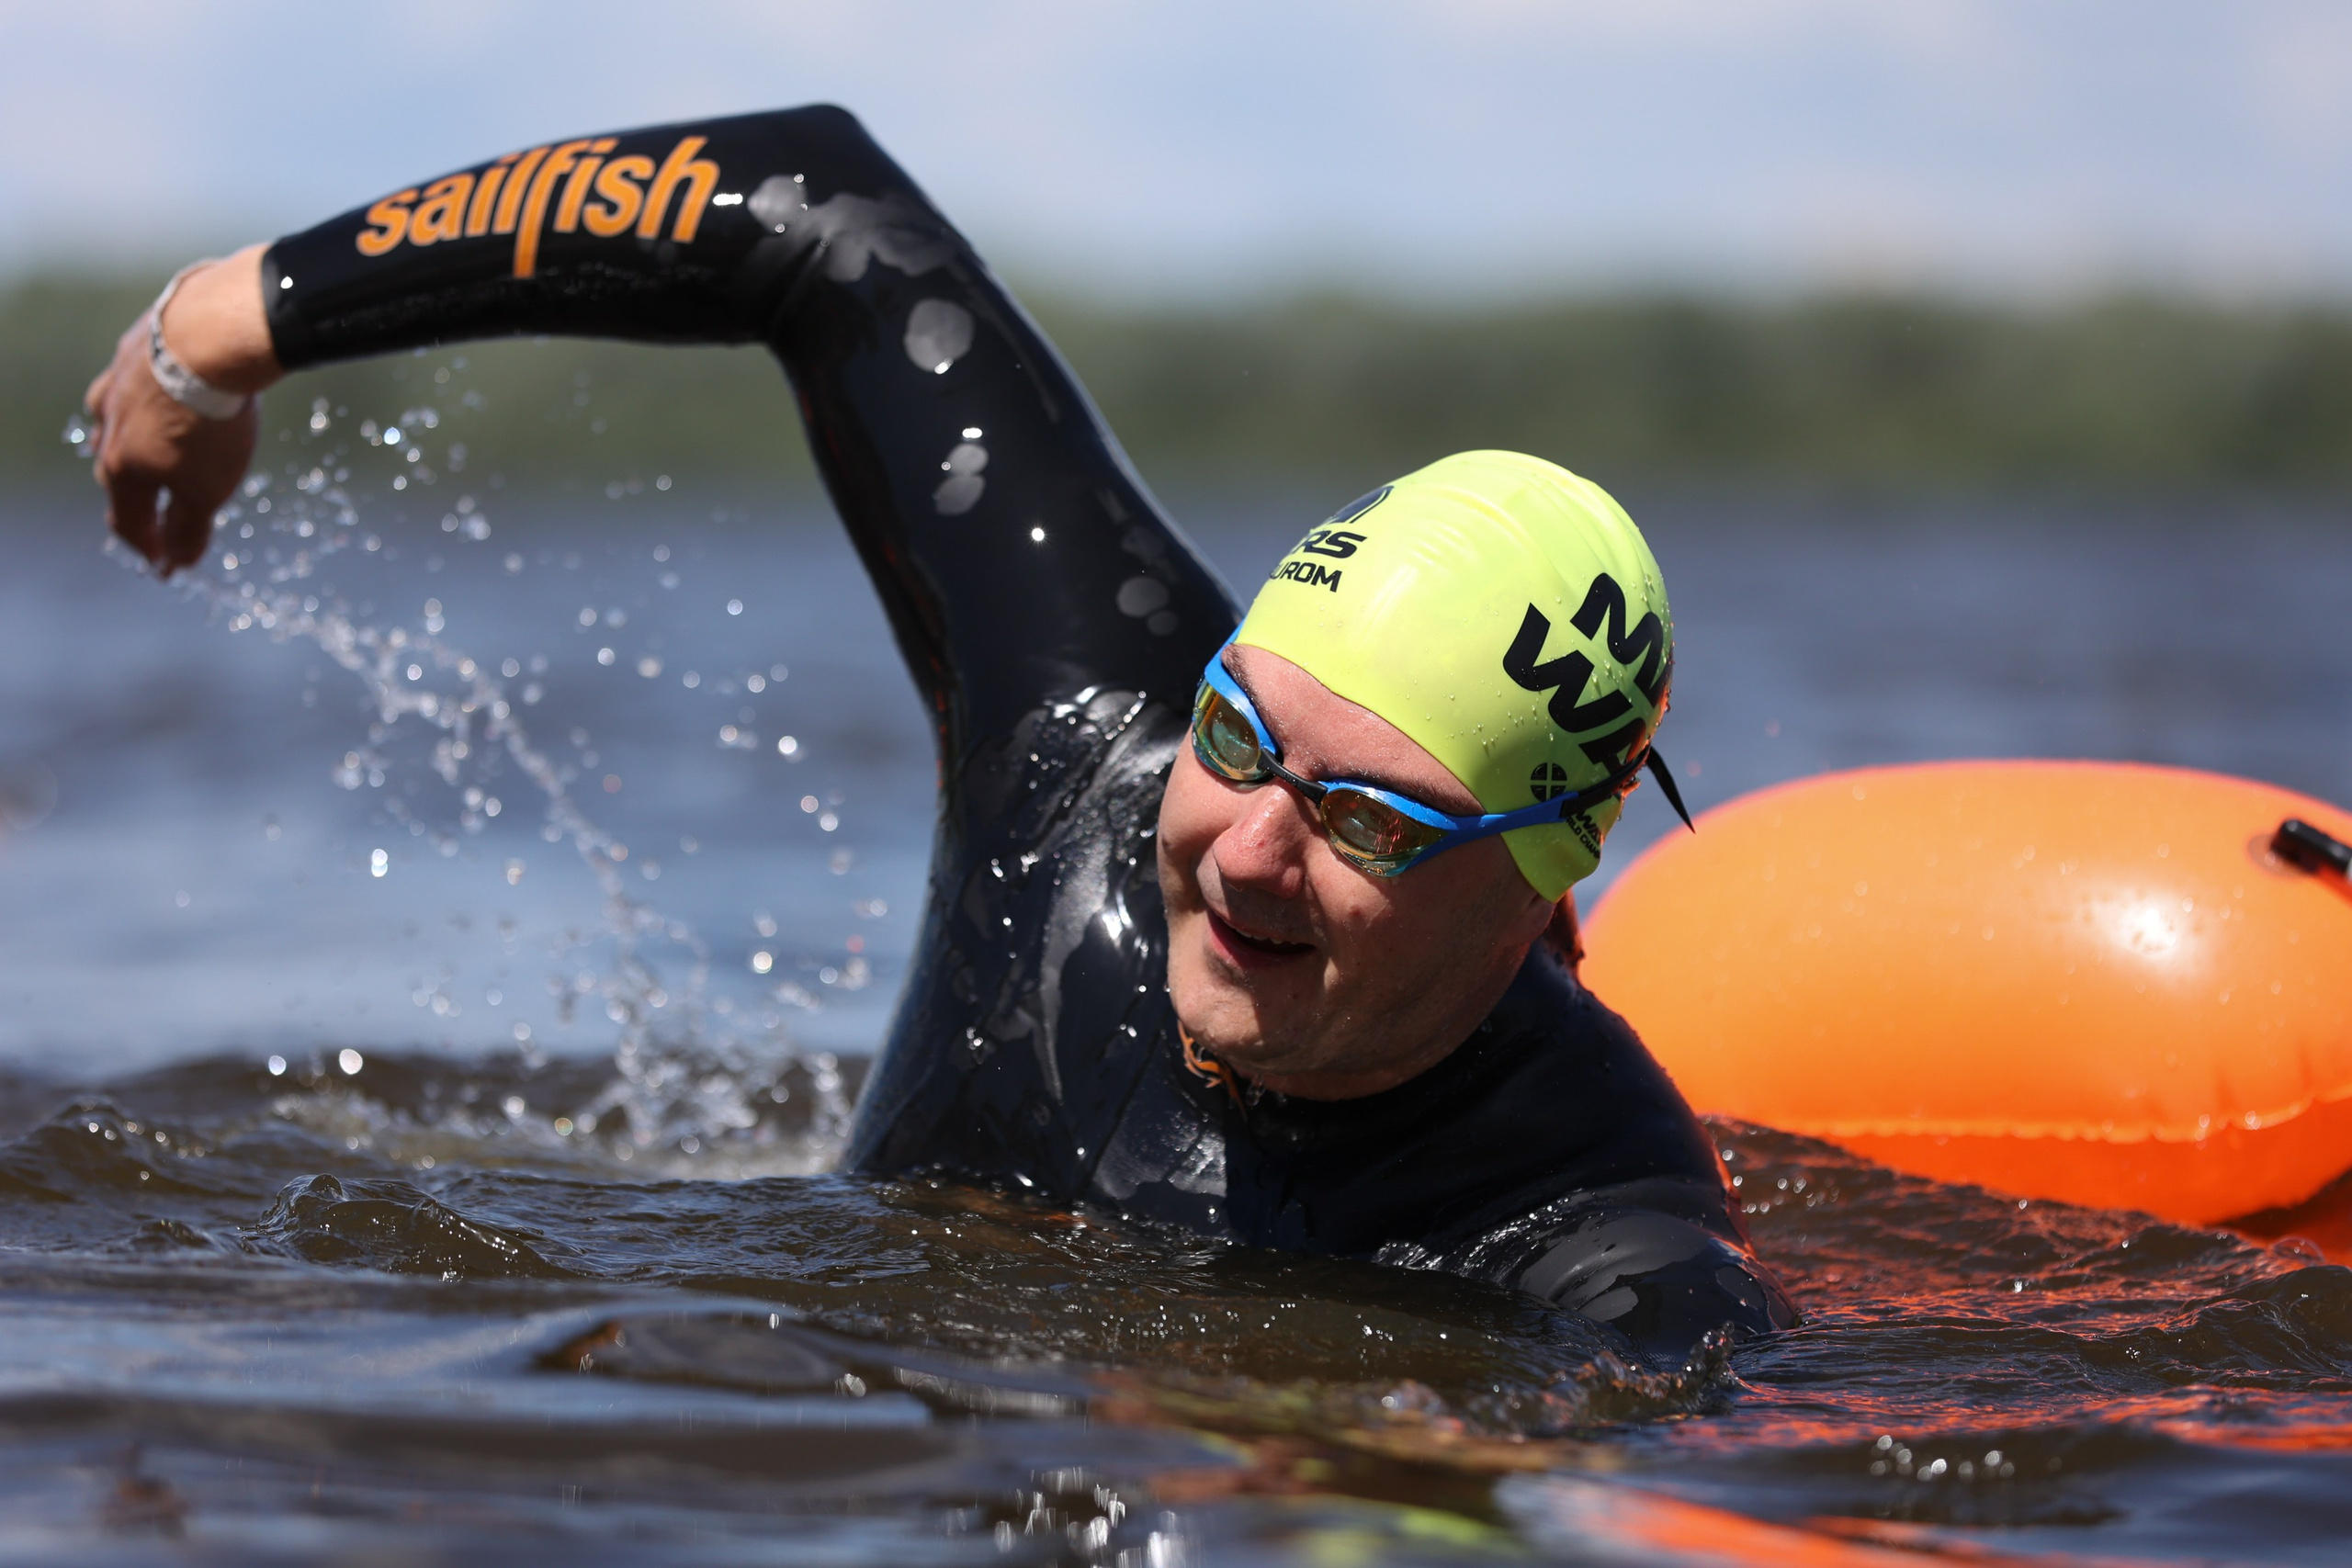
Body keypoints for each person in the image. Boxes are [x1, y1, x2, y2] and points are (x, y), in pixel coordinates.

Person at [81, 106, 1794, 1364]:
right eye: (1243, 738)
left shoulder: (1596, 1225)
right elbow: (823, 210)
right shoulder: (1091, 752)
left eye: (1375, 824)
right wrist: (224, 325)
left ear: (1549, 887)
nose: (1250, 852)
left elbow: (1696, 1412)